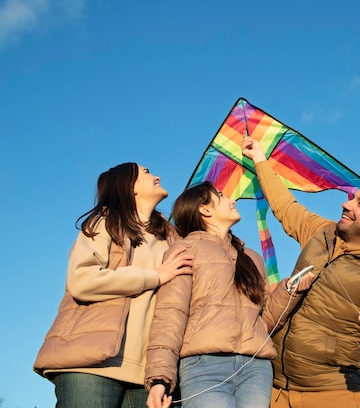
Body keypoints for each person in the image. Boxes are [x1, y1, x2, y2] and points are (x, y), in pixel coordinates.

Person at [242, 137, 360, 408]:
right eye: (353, 198)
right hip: (271, 391)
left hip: (332, 399)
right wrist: (260, 160)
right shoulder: (322, 232)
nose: (347, 204)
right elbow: (286, 207)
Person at [33, 162, 194, 408]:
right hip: (90, 366)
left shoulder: (173, 239)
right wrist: (154, 276)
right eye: (147, 172)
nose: (157, 176)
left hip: (150, 376)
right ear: (129, 186)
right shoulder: (105, 223)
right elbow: (82, 280)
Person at [144, 181, 314, 408]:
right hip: (203, 365)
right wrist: (159, 378)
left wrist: (290, 291)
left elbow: (263, 323)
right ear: (205, 210)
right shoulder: (185, 249)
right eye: (222, 196)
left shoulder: (252, 257)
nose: (232, 200)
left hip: (256, 369)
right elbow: (169, 315)